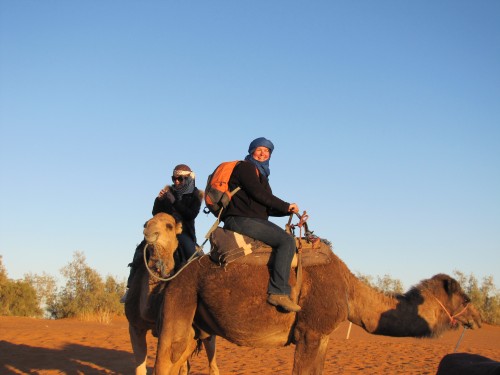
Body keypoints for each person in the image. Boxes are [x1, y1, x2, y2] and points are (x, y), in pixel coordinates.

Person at [221, 137, 301, 312]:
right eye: (260, 150)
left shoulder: (261, 175)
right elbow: (258, 194)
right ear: (252, 151)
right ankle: (278, 292)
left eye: (267, 151)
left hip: (252, 219)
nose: (263, 154)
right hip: (239, 219)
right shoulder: (245, 168)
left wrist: (288, 211)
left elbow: (265, 206)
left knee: (286, 239)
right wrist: (285, 205)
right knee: (287, 242)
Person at [121, 164, 202, 303]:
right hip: (162, 232)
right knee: (140, 250)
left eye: (180, 179)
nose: (176, 181)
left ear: (188, 179)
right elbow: (155, 213)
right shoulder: (168, 191)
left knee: (197, 257)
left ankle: (201, 295)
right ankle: (130, 288)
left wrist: (174, 202)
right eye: (174, 178)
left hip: (182, 232)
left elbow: (190, 215)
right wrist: (159, 200)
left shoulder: (195, 195)